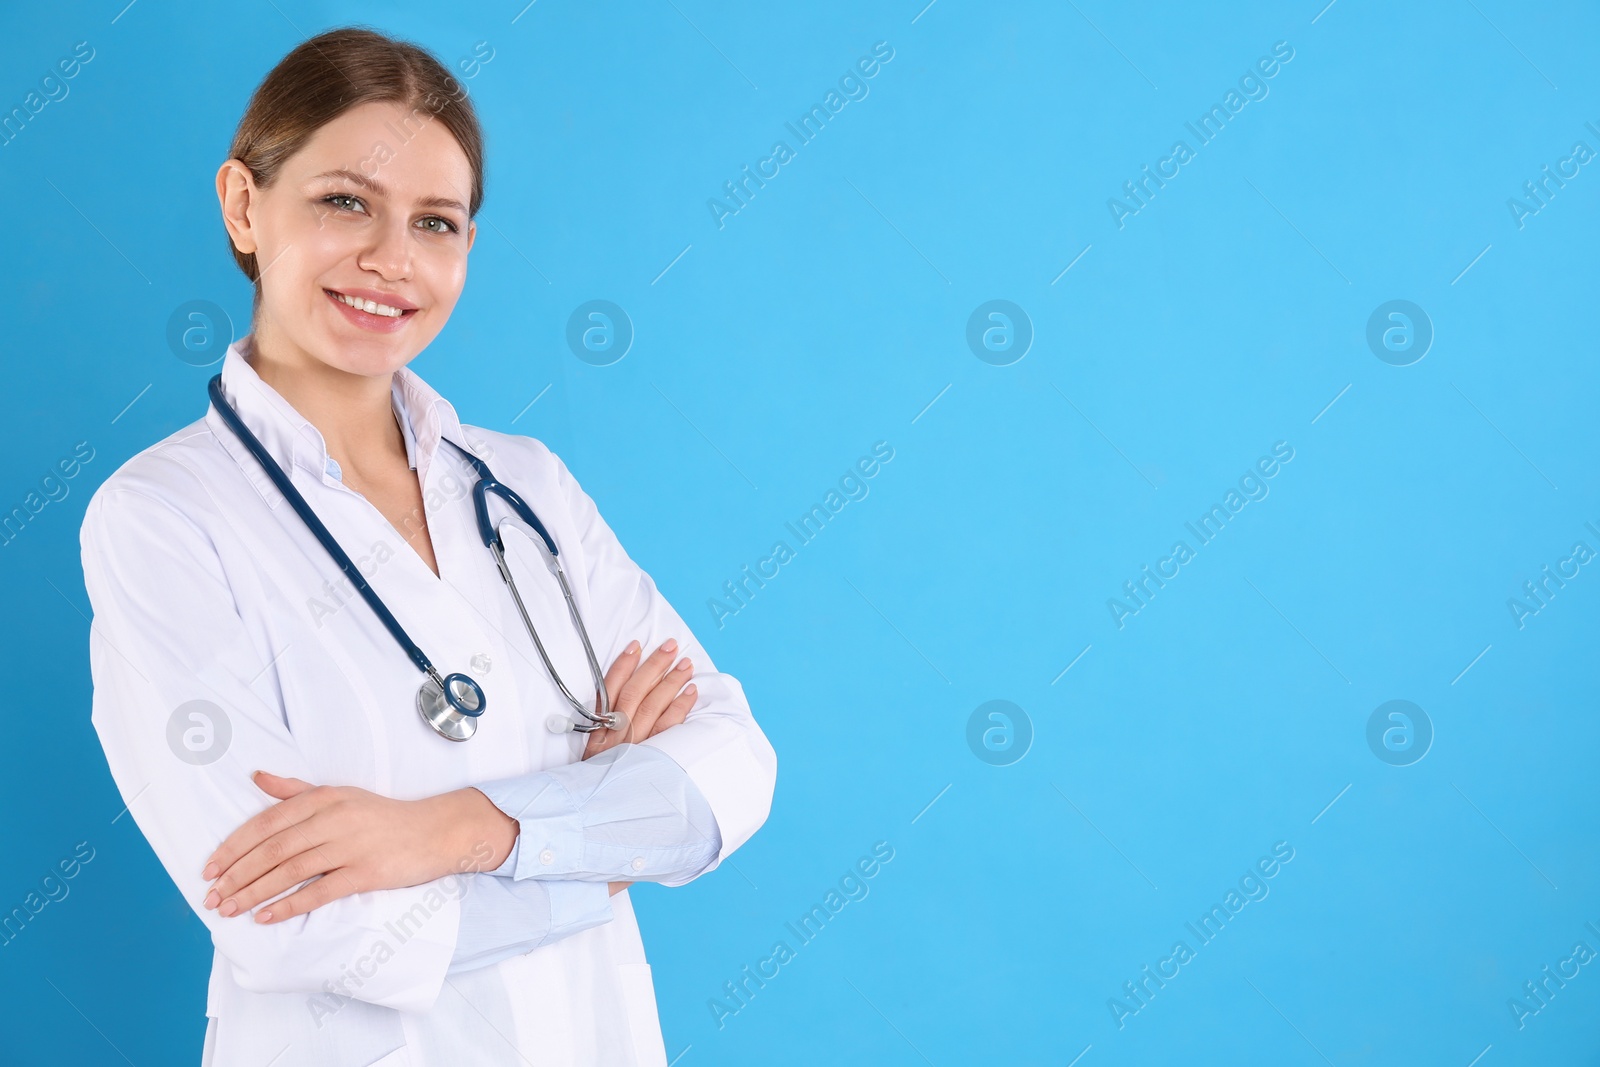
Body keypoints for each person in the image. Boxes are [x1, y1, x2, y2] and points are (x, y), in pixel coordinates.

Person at [79, 26, 776, 1067]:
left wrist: (452, 828)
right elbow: (293, 921)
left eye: (436, 222)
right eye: (344, 201)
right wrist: (602, 833)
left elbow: (730, 769)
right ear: (242, 206)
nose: (392, 260)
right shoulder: (163, 517)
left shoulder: (525, 485)